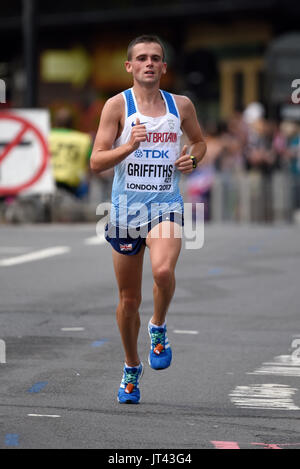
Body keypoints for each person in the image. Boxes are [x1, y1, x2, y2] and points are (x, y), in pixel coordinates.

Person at [90, 35, 206, 404]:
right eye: (141, 58)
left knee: (162, 273)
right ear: (130, 66)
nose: (149, 63)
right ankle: (130, 366)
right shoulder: (116, 105)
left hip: (165, 207)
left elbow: (200, 142)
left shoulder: (181, 105)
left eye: (156, 58)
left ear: (164, 67)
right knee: (128, 300)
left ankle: (158, 327)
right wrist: (129, 146)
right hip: (126, 212)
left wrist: (194, 158)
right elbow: (96, 162)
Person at [49, 108, 92, 198]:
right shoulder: (84, 139)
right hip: (72, 186)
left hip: (48, 182)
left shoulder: (46, 136)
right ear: (72, 123)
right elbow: (90, 165)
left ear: (55, 122)